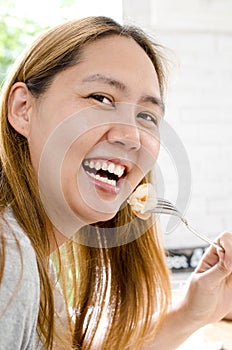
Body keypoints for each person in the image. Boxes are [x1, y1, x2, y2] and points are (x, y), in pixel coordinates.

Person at [0, 16, 232, 350]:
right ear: (24, 109)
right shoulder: (9, 258)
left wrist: (191, 313)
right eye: (101, 98)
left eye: (146, 116)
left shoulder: (31, 260)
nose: (131, 137)